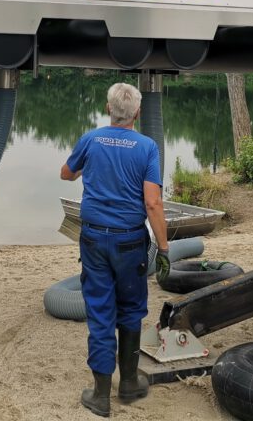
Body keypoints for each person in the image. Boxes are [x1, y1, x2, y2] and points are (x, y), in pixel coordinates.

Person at [60, 83, 169, 417]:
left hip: (93, 240)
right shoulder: (147, 147)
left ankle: (101, 395)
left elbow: (66, 174)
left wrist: (85, 167)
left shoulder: (90, 139)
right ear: (137, 113)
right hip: (129, 241)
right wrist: (163, 248)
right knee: (132, 310)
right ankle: (129, 383)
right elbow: (152, 202)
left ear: (109, 109)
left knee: (100, 311)